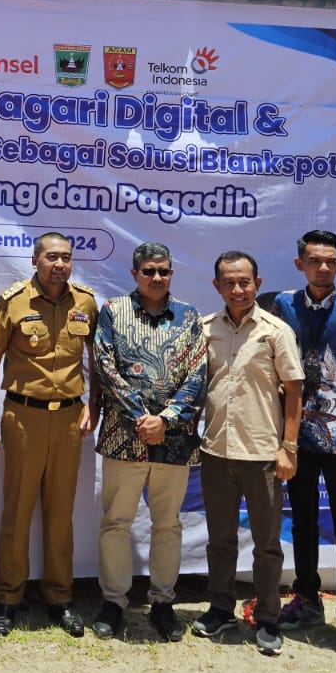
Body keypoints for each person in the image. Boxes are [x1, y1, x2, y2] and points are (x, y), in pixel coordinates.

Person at [266, 229, 336, 661]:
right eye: (315, 261)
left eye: (331, 261)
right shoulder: (283, 307)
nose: (323, 268)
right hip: (295, 437)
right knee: (302, 524)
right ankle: (307, 598)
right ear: (300, 264)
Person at [0, 231, 96, 639]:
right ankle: (8, 598)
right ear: (35, 260)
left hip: (69, 419)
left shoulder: (85, 302)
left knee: (61, 514)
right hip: (23, 416)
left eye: (66, 257)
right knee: (17, 510)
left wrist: (94, 404)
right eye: (51, 257)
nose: (60, 264)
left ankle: (60, 597)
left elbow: (98, 358)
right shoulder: (14, 301)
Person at [90, 242, 205, 642]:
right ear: (135, 273)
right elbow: (104, 367)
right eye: (149, 271)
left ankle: (162, 603)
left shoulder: (189, 317)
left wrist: (165, 420)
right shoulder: (113, 311)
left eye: (164, 271)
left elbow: (198, 375)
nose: (157, 277)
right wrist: (142, 418)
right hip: (124, 437)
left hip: (174, 443)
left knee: (168, 525)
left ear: (172, 273)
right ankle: (113, 601)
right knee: (116, 522)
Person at [190, 251, 302, 656]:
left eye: (245, 282)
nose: (237, 289)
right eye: (229, 282)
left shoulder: (276, 331)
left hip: (262, 453)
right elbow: (196, 387)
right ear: (217, 285)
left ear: (257, 283)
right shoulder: (205, 329)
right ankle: (220, 609)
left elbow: (294, 390)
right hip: (216, 451)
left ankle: (268, 617)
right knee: (220, 539)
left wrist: (288, 448)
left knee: (267, 543)